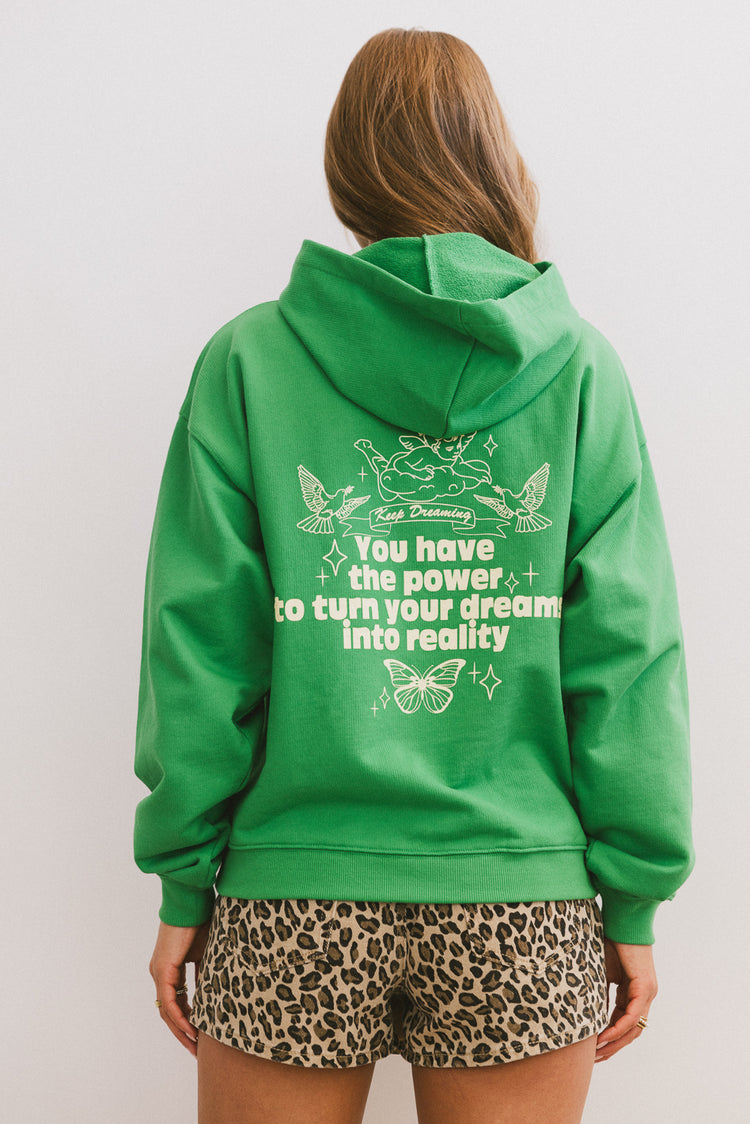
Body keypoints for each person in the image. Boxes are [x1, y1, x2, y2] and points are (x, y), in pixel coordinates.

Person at [133, 26, 695, 1124]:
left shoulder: (249, 360)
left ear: (347, 169)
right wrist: (633, 894)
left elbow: (201, 641)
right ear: (493, 158)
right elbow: (629, 652)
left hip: (292, 892)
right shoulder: (580, 368)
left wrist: (183, 878)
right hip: (520, 901)